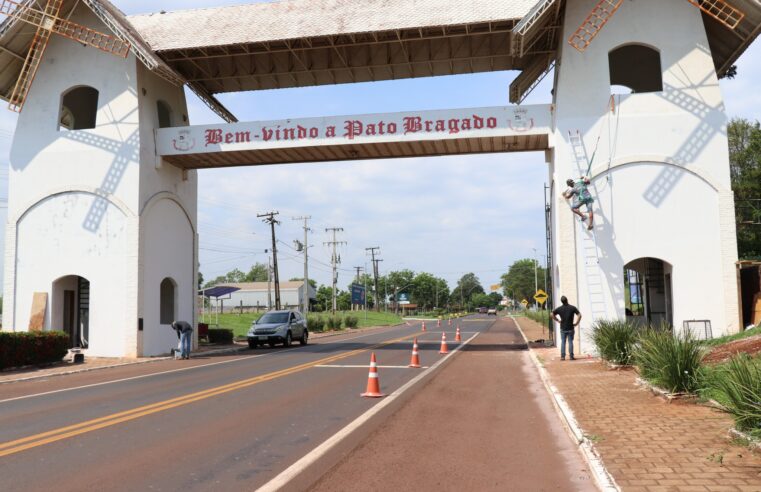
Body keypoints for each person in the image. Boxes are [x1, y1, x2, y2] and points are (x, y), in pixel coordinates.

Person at [551, 296, 581, 361]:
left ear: (561, 301)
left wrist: (557, 320)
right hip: (570, 328)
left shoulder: (559, 309)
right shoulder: (572, 308)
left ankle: (562, 356)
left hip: (563, 328)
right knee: (570, 342)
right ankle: (571, 356)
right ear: (567, 300)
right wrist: (576, 323)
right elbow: (579, 315)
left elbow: (551, 314)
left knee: (563, 342)